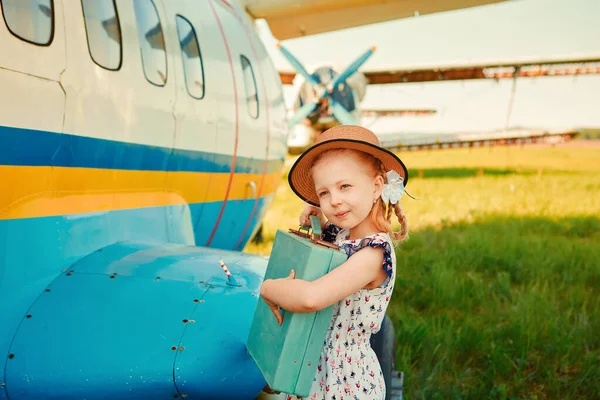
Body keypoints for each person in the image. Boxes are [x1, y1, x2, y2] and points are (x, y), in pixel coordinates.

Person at [259, 125, 410, 400]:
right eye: (324, 192)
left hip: (345, 382)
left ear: (377, 186)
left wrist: (267, 288)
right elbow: (334, 246)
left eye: (345, 186)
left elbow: (311, 298)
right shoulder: (343, 234)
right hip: (315, 368)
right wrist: (321, 216)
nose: (335, 201)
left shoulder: (374, 255)